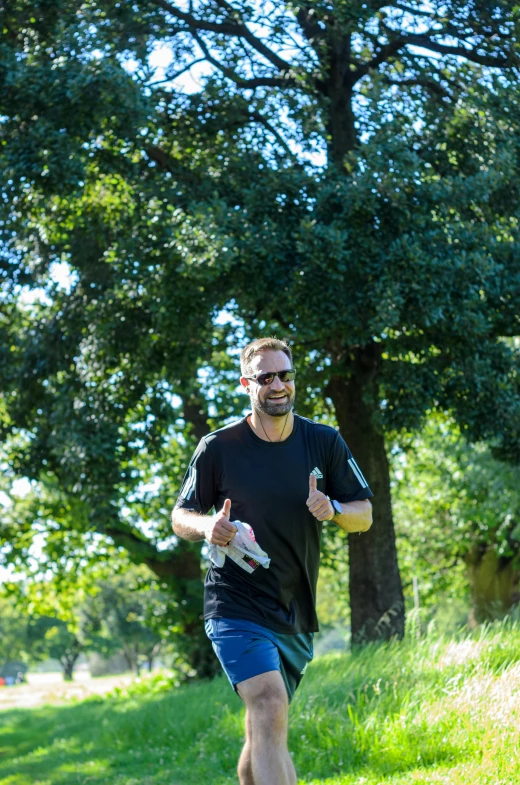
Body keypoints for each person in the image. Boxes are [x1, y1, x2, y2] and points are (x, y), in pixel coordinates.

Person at [172, 337, 373, 785]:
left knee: (264, 723)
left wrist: (334, 510)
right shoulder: (218, 447)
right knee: (268, 704)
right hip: (234, 601)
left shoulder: (324, 441)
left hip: (294, 607)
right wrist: (208, 528)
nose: (278, 385)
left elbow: (365, 515)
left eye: (286, 375)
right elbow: (180, 515)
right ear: (248, 384)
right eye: (267, 378)